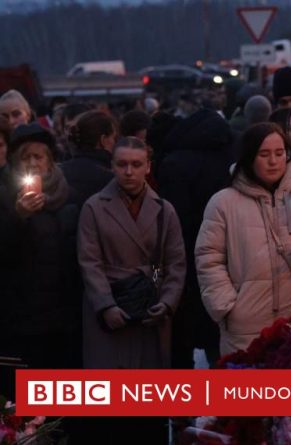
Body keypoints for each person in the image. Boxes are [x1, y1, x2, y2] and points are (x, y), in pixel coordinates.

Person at [196, 123, 291, 355]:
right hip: (246, 324)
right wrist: (227, 306)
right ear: (249, 157)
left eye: (279, 154)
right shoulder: (223, 203)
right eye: (264, 154)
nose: (273, 161)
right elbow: (208, 258)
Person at [78, 135, 185, 368]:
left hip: (149, 310)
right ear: (112, 166)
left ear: (148, 167)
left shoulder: (165, 210)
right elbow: (89, 263)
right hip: (109, 306)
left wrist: (165, 301)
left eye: (136, 165)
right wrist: (105, 305)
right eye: (122, 164)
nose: (129, 171)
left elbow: (173, 263)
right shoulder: (93, 207)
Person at [0, 124, 81, 400]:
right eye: (26, 157)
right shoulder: (4, 196)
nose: (33, 163)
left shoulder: (68, 195)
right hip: (19, 322)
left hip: (62, 321)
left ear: (50, 161)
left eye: (39, 156)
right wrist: (18, 217)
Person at [157, 108, 235, 368]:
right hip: (230, 262)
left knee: (183, 346)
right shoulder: (232, 154)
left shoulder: (174, 163)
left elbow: (173, 222)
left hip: (187, 265)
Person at [60, 110, 117, 209]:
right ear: (103, 140)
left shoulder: (59, 172)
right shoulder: (111, 178)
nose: (115, 143)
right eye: (114, 138)